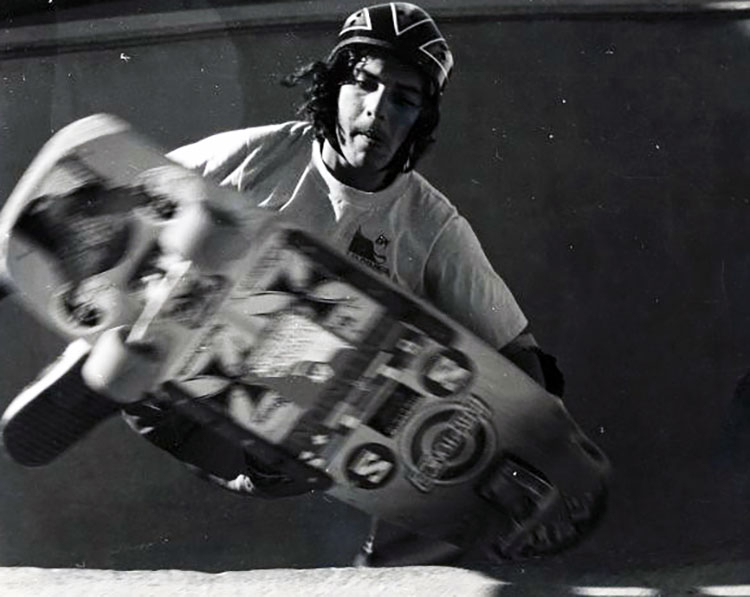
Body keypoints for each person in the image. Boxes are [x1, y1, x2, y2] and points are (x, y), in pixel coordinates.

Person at [5, 2, 564, 566]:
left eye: (403, 99)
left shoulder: (432, 225)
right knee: (203, 232)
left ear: (420, 120)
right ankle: (105, 363)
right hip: (175, 393)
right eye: (363, 85)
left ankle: (388, 549)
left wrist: (533, 448)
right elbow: (121, 185)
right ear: (331, 87)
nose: (378, 110)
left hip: (278, 452)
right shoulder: (257, 154)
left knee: (347, 355)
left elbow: (520, 358)